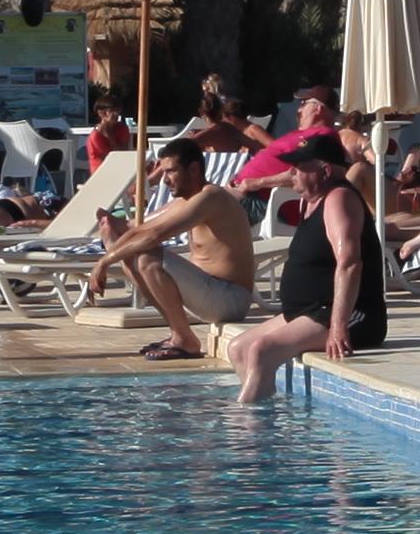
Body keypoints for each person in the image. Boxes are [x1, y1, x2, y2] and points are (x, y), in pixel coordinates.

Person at [229, 129, 388, 403]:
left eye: (299, 168)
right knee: (238, 347)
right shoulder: (313, 200)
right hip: (311, 310)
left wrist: (338, 326)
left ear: (324, 170)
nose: (292, 175)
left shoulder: (339, 199)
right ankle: (262, 409)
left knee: (261, 350)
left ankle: (249, 429)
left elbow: (350, 263)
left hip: (355, 314)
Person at [86, 144, 259, 360]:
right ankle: (178, 334)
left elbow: (154, 236)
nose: (164, 180)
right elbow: (138, 229)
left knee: (147, 256)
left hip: (230, 299)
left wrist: (103, 263)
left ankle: (184, 338)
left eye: (170, 171)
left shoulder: (211, 196)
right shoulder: (185, 201)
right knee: (130, 253)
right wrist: (110, 226)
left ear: (194, 170)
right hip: (209, 294)